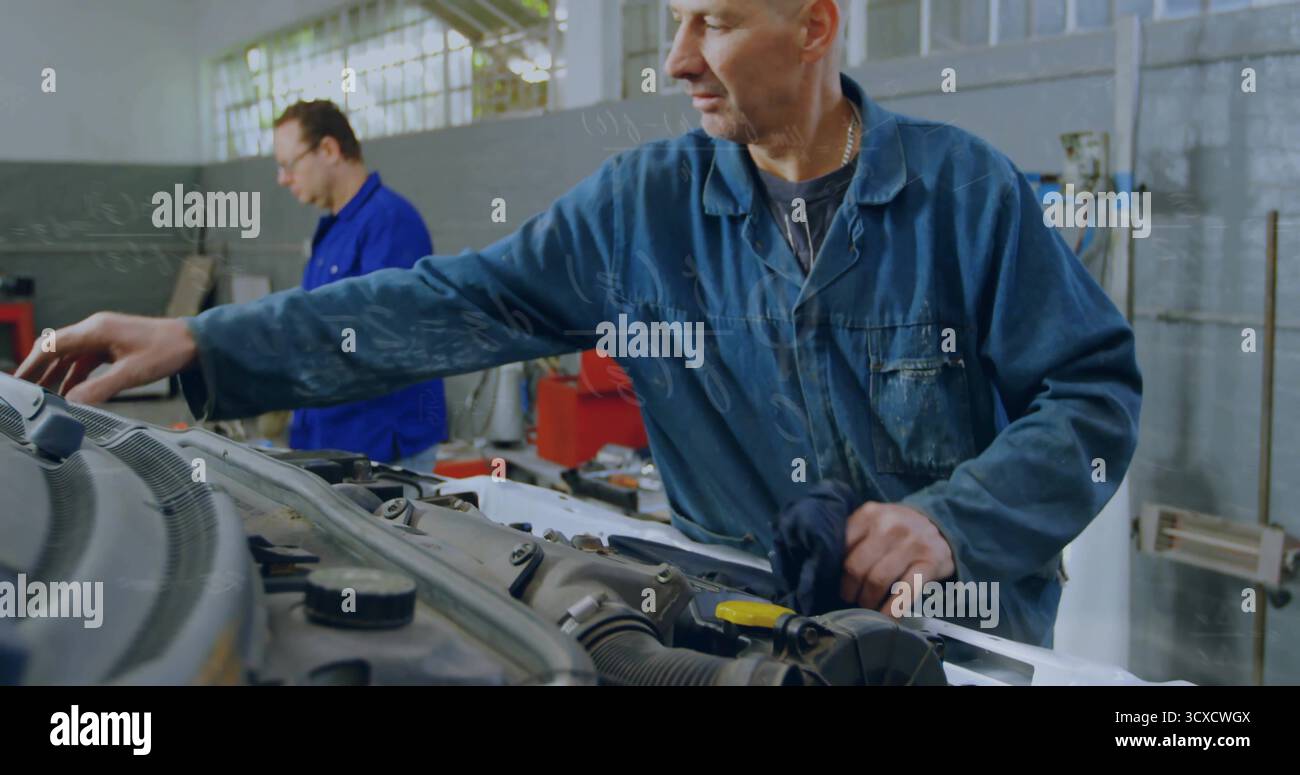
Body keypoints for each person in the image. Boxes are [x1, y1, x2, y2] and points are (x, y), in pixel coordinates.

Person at [16, 0, 1140, 646]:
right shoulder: (640, 207)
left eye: (716, 21)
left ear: (813, 25)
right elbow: (449, 301)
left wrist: (949, 522)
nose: (678, 60)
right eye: (670, 23)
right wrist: (209, 345)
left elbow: (1091, 395)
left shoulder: (964, 194)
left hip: (956, 639)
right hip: (734, 630)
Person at [271, 100, 446, 470]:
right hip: (330, 439)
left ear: (329, 150)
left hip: (381, 450)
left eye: (288, 165)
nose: (283, 179)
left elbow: (379, 337)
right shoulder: (334, 230)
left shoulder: (389, 223)